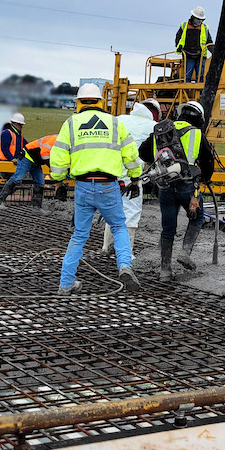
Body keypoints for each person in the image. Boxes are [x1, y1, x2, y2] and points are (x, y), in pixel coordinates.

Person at [49, 83, 142, 294]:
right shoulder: (114, 122)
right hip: (108, 185)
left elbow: (59, 156)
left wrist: (58, 181)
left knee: (80, 235)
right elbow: (131, 155)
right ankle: (125, 266)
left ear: (79, 102)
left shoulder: (71, 123)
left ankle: (65, 283)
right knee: (119, 227)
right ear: (100, 101)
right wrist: (135, 179)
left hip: (83, 186)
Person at [138, 100, 216, 279]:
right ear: (199, 118)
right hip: (188, 187)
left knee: (168, 228)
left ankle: (165, 270)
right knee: (196, 219)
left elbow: (143, 152)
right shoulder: (197, 134)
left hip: (164, 186)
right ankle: (185, 253)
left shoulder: (162, 130)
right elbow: (208, 162)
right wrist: (204, 179)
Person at [103, 98, 163, 256]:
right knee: (131, 213)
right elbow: (156, 156)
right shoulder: (153, 127)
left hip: (109, 172)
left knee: (113, 209)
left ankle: (106, 247)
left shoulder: (119, 119)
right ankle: (125, 254)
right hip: (132, 176)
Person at [0, 133, 57, 212]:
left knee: (40, 183)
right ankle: (0, 201)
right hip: (27, 157)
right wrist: (51, 167)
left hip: (36, 161)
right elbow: (44, 154)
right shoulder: (55, 140)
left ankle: (37, 208)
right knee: (17, 178)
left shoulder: (60, 141)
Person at [175, 6, 213, 82]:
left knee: (201, 76)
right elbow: (178, 38)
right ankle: (186, 93)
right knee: (187, 76)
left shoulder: (205, 28)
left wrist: (214, 51)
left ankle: (200, 93)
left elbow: (209, 41)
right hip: (188, 55)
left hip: (200, 55)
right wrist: (179, 47)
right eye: (198, 19)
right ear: (193, 17)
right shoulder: (184, 25)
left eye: (201, 20)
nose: (199, 21)